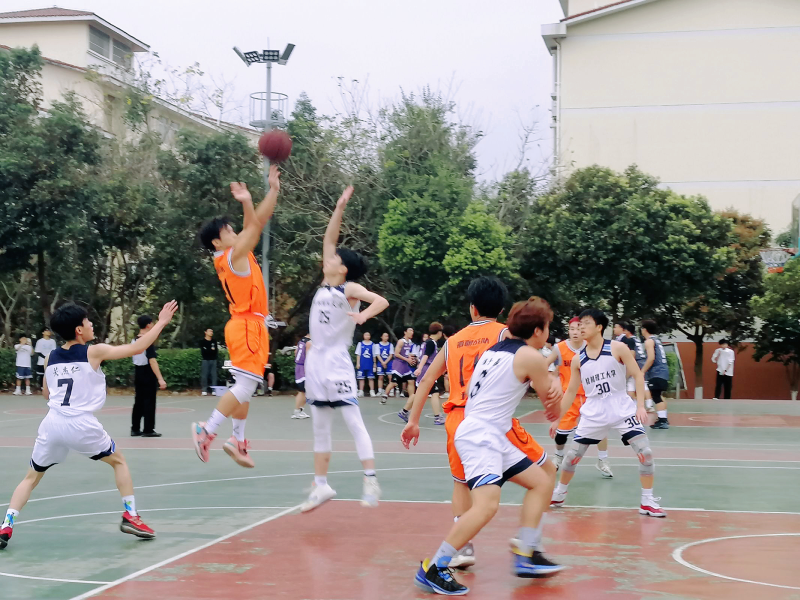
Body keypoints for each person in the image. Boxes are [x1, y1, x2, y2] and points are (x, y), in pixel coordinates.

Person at [402, 276, 562, 570]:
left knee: (461, 482)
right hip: (491, 418)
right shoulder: (506, 335)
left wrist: (413, 421)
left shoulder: (452, 341)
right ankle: (528, 544)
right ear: (502, 311)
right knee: (545, 472)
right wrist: (552, 380)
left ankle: (463, 548)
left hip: (458, 418)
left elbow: (426, 380)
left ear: (472, 308)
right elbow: (534, 370)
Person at [0, 300, 178, 550]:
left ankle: (6, 525)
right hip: (81, 423)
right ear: (79, 330)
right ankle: (131, 516)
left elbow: (46, 394)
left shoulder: (51, 356)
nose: (91, 324)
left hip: (52, 423)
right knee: (119, 461)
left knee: (31, 477)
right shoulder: (93, 352)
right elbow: (137, 347)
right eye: (87, 321)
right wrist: (162, 322)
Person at [300, 185, 389, 513]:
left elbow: (381, 300)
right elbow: (329, 239)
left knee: (352, 421)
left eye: (334, 259)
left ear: (343, 269)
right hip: (315, 362)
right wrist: (339, 207)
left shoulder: (348, 288)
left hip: (336, 361)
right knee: (319, 427)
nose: (328, 258)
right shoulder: (326, 283)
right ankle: (321, 485)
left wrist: (364, 315)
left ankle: (371, 480)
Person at [192, 165, 280, 469]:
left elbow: (257, 222)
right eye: (228, 231)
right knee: (245, 387)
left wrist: (273, 190)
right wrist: (247, 202)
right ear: (217, 242)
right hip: (247, 326)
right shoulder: (234, 256)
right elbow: (255, 227)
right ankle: (207, 429)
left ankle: (237, 439)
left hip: (248, 324)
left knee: (246, 386)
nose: (234, 232)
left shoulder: (232, 253)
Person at [550, 308, 665, 518]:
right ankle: (559, 492)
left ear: (599, 327)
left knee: (645, 453)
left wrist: (640, 405)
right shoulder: (578, 359)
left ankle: (647, 500)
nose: (581, 328)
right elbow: (571, 392)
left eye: (586, 323)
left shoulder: (617, 348)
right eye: (579, 324)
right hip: (594, 410)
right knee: (572, 457)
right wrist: (557, 418)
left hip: (621, 407)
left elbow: (638, 375)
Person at [546, 318, 613, 478]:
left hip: (591, 396)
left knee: (600, 428)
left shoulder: (591, 347)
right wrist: (550, 380)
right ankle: (558, 456)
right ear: (568, 331)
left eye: (578, 328)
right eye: (572, 329)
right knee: (561, 433)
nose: (575, 332)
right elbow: (544, 365)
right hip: (569, 397)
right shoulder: (560, 348)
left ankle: (603, 460)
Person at [131, 315, 166, 438]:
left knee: (138, 401)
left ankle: (135, 428)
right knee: (149, 401)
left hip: (138, 371)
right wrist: (160, 378)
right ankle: (148, 429)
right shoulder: (147, 341)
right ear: (148, 325)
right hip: (147, 372)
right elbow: (152, 360)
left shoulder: (134, 340)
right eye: (152, 323)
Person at [411, 322, 445, 426]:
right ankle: (437, 417)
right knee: (434, 393)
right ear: (439, 332)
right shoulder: (431, 343)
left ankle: (404, 411)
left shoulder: (428, 342)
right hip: (426, 370)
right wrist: (420, 368)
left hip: (427, 369)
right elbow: (425, 356)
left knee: (419, 393)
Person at [641, 320, 670, 429]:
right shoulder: (656, 340)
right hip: (663, 371)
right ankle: (663, 418)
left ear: (644, 329)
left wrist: (642, 371)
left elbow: (651, 358)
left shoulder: (649, 341)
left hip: (657, 372)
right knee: (659, 395)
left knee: (656, 396)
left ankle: (663, 421)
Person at [383, 327, 417, 410]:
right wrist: (407, 359)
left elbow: (407, 353)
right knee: (394, 382)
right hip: (398, 364)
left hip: (405, 365)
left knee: (411, 381)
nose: (412, 332)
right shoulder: (401, 341)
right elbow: (396, 354)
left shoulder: (410, 342)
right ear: (405, 332)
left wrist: (412, 357)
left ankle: (411, 398)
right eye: (410, 330)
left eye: (412, 331)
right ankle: (384, 396)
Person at [293, 333, 311, 419]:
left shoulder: (301, 341)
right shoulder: (309, 342)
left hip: (299, 366)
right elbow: (309, 357)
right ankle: (297, 411)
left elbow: (295, 352)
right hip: (304, 367)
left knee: (305, 391)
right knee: (302, 391)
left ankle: (300, 410)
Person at [355, 331, 377, 398]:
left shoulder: (373, 344)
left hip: (370, 363)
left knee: (371, 378)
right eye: (366, 335)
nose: (367, 336)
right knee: (361, 378)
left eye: (368, 335)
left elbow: (374, 355)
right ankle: (361, 391)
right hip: (362, 363)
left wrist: (374, 364)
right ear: (363, 336)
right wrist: (358, 363)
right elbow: (358, 354)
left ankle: (372, 391)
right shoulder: (360, 344)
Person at [200, 328, 219, 396]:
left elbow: (215, 351)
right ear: (205, 332)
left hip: (213, 360)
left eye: (212, 331)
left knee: (214, 375)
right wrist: (210, 350)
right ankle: (204, 389)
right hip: (205, 360)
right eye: (210, 331)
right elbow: (204, 352)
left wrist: (210, 351)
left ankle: (214, 389)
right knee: (204, 375)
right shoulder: (203, 341)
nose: (211, 332)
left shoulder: (214, 341)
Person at [376, 332, 393, 400]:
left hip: (389, 362)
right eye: (385, 336)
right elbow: (377, 354)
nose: (386, 337)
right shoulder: (378, 345)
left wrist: (385, 362)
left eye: (387, 336)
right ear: (381, 337)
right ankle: (380, 391)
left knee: (390, 376)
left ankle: (391, 391)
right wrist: (383, 362)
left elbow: (391, 355)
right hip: (380, 362)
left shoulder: (390, 345)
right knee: (380, 377)